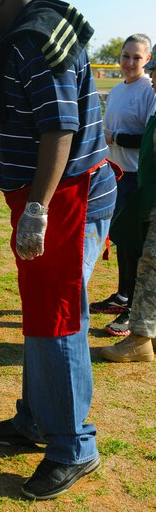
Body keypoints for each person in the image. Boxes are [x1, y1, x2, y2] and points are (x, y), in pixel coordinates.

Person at [0, 0, 117, 500]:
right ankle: (35, 420)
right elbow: (35, 118)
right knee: (43, 313)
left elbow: (60, 128)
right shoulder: (43, 29)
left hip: (66, 198)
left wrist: (37, 208)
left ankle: (74, 446)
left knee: (60, 318)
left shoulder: (30, 43)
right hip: (55, 192)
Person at [89, 35, 156, 336]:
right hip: (115, 175)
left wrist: (115, 139)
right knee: (119, 239)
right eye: (125, 56)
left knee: (134, 245)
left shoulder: (149, 90)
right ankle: (122, 295)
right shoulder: (116, 90)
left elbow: (147, 138)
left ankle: (132, 310)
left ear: (148, 59)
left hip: (135, 177)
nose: (129, 63)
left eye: (137, 58)